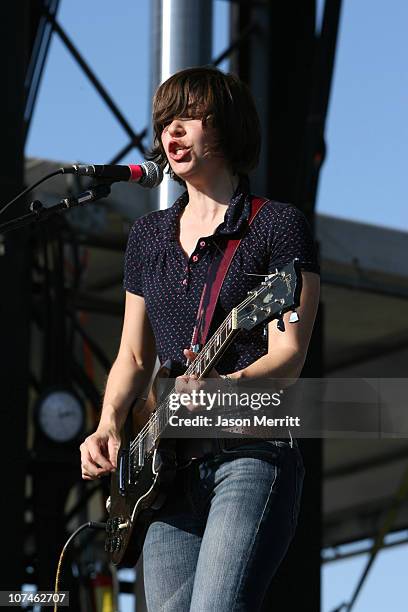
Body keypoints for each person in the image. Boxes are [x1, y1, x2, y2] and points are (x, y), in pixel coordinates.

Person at [80, 66, 320, 611]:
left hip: (249, 453)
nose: (172, 131)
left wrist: (222, 385)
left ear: (227, 126)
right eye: (165, 121)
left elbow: (288, 357)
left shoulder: (277, 226)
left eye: (188, 117)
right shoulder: (148, 235)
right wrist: (108, 425)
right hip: (165, 476)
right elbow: (134, 355)